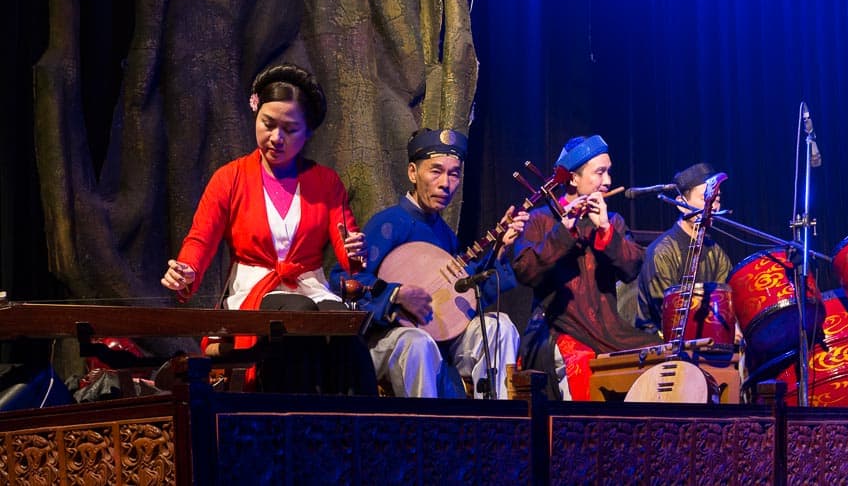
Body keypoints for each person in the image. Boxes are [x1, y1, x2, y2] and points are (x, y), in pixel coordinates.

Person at [161, 62, 373, 394]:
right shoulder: (230, 178)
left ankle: (354, 426)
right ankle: (288, 418)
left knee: (340, 323)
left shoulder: (325, 182)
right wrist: (186, 270)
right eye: (268, 124)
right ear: (255, 113)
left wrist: (354, 253)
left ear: (308, 133)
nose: (276, 137)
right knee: (295, 317)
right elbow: (200, 238)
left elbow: (348, 248)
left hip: (309, 287)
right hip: (256, 288)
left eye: (289, 129)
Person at [330, 128, 528, 398]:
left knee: (498, 326)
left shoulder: (446, 235)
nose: (445, 183)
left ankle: (497, 422)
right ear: (413, 173)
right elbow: (343, 280)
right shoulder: (389, 224)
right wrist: (396, 294)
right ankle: (428, 433)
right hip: (390, 342)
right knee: (419, 343)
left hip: (443, 343)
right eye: (436, 171)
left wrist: (501, 250)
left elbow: (468, 295)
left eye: (454, 173)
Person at [513, 135, 661, 400]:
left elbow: (632, 268)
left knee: (661, 354)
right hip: (556, 330)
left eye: (609, 172)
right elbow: (525, 271)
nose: (608, 182)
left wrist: (605, 230)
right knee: (580, 361)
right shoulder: (539, 220)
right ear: (572, 178)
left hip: (606, 329)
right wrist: (564, 231)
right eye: (600, 172)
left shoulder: (612, 221)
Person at [635, 162, 733, 337]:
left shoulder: (717, 254)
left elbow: (724, 303)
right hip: (659, 345)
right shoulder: (661, 253)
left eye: (716, 200)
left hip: (705, 341)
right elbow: (667, 314)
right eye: (706, 199)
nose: (713, 206)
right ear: (681, 204)